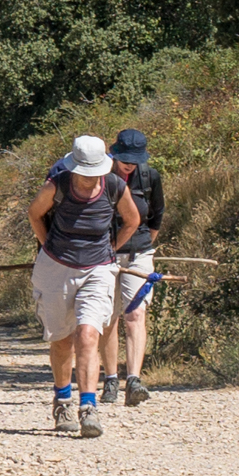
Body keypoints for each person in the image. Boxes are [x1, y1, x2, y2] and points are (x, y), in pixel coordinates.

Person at [28, 134, 141, 439]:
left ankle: (88, 407)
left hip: (98, 268)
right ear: (73, 168)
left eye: (94, 174)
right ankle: (63, 400)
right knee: (62, 339)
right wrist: (46, 245)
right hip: (57, 267)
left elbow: (132, 220)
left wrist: (112, 250)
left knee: (88, 334)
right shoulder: (58, 185)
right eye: (84, 173)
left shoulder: (115, 186)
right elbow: (35, 213)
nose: (90, 179)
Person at [100, 128, 165, 406]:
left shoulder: (150, 177)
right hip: (104, 255)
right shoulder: (99, 176)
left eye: (135, 158)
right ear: (114, 153)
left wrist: (140, 246)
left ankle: (134, 380)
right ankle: (111, 379)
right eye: (125, 157)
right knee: (108, 317)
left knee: (135, 314)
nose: (129, 163)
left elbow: (156, 217)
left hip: (138, 255)